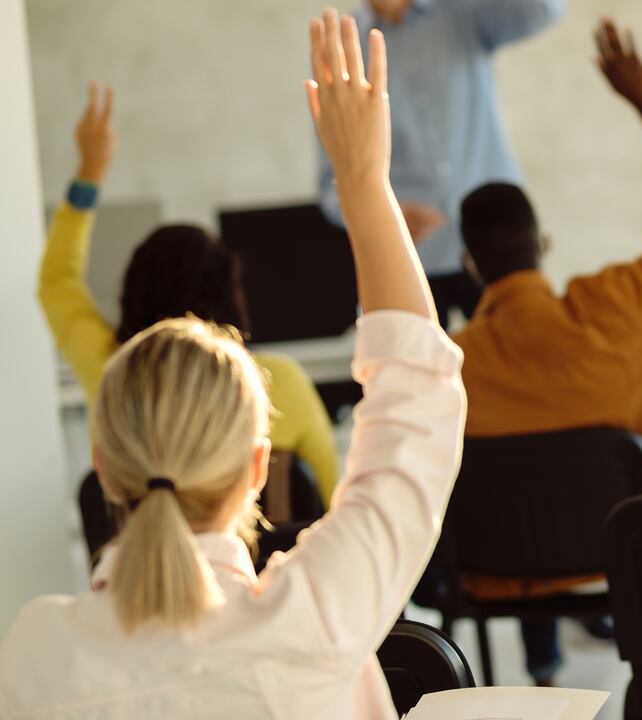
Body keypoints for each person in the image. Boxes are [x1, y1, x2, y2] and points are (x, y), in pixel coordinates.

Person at [0, 12, 466, 717]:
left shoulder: (37, 650)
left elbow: (57, 283)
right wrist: (364, 179)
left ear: (105, 461)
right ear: (256, 466)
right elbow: (413, 415)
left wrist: (89, 175)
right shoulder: (316, 614)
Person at [448, 18, 642, 685]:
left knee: (518, 471)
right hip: (629, 554)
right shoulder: (620, 309)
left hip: (496, 572)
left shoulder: (448, 365)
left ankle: (542, 667)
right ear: (541, 246)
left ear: (469, 262)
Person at [38, 84, 340, 513]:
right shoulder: (280, 385)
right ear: (229, 296)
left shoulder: (111, 373)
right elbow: (331, 506)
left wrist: (89, 173)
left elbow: (57, 281)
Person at [317, 0, 565, 328]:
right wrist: (379, 210)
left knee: (528, 362)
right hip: (412, 258)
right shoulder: (344, 49)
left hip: (497, 246)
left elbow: (544, 9)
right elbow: (331, 181)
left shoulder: (463, 12)